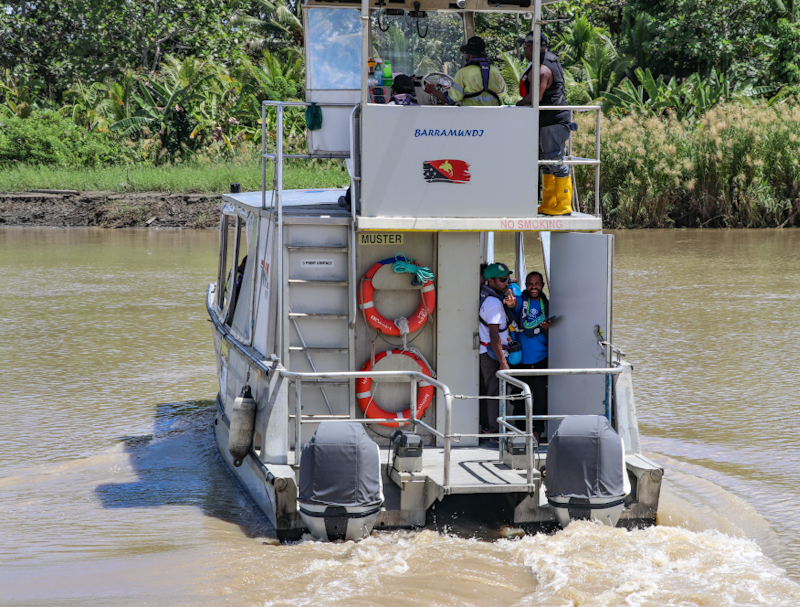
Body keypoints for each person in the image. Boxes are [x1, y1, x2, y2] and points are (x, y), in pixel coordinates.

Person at [516, 32, 573, 216]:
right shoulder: (549, 62)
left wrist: (517, 104)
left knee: (555, 161)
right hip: (549, 122)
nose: (524, 50)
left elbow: (536, 98)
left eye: (525, 47)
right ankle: (549, 202)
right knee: (547, 162)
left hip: (553, 122)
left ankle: (563, 205)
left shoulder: (542, 69)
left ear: (532, 47)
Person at [511, 271, 552, 443]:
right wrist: (511, 304)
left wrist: (546, 329)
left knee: (541, 400)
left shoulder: (549, 305)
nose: (533, 287)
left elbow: (553, 338)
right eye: (530, 283)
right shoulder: (520, 301)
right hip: (520, 361)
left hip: (541, 359)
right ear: (525, 285)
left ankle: (537, 434)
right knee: (519, 400)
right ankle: (520, 435)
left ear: (542, 285)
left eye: (537, 283)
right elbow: (512, 305)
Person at [479, 262, 517, 438]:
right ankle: (495, 431)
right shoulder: (494, 302)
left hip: (488, 352)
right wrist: (503, 363)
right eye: (502, 280)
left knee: (493, 391)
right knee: (495, 392)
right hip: (492, 354)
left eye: (508, 279)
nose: (506, 283)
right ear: (491, 281)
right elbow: (495, 336)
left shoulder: (487, 295)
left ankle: (492, 427)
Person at [424, 36, 506, 107]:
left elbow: (450, 99)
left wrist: (432, 90)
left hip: (470, 117)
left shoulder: (463, 73)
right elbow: (502, 92)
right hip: (492, 117)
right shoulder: (494, 71)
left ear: (469, 55)